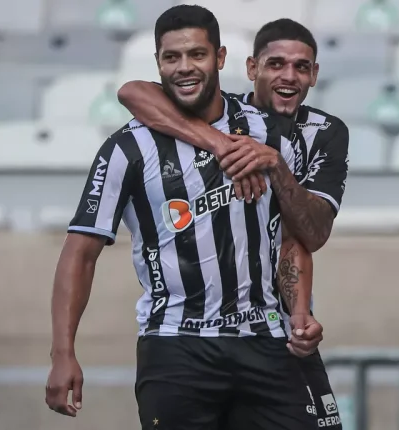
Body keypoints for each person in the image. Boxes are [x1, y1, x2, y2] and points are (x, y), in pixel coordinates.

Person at [45, 5, 323, 430]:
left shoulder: (273, 136)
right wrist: (62, 352)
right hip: (176, 348)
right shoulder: (126, 149)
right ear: (158, 63)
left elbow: (290, 238)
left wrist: (299, 309)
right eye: (171, 57)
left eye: (197, 55)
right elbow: (79, 254)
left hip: (266, 342)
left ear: (221, 58)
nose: (184, 68)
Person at [117, 18, 349, 430]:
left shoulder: (325, 132)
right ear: (250, 68)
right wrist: (222, 144)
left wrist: (274, 165)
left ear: (314, 74)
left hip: (278, 331)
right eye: (275, 64)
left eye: (301, 66)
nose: (288, 76)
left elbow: (307, 235)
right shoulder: (221, 113)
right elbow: (132, 91)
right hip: (191, 336)